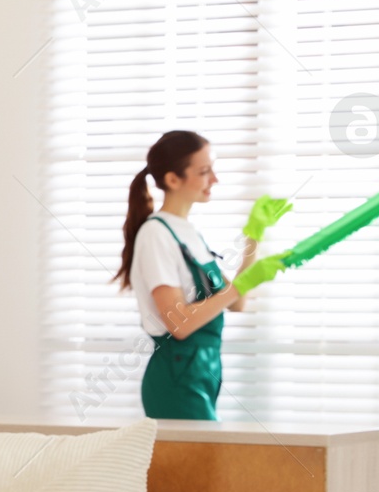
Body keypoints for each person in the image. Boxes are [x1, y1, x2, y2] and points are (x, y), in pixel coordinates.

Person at [115, 130, 291, 420]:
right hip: (176, 375)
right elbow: (178, 324)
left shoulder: (189, 233)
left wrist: (253, 237)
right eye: (204, 171)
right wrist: (245, 282)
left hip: (204, 371)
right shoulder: (156, 234)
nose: (215, 179)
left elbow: (235, 302)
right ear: (173, 179)